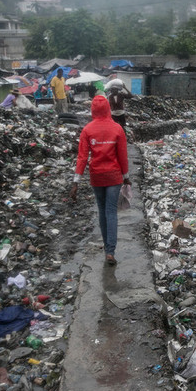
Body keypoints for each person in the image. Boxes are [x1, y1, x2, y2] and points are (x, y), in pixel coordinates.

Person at [69, 95, 130, 266]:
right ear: (108, 109)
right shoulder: (117, 129)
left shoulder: (87, 130)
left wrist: (76, 182)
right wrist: (126, 177)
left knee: (102, 211)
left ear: (93, 110)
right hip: (114, 176)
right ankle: (110, 251)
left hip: (97, 176)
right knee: (111, 211)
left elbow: (82, 158)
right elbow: (122, 157)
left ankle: (106, 247)